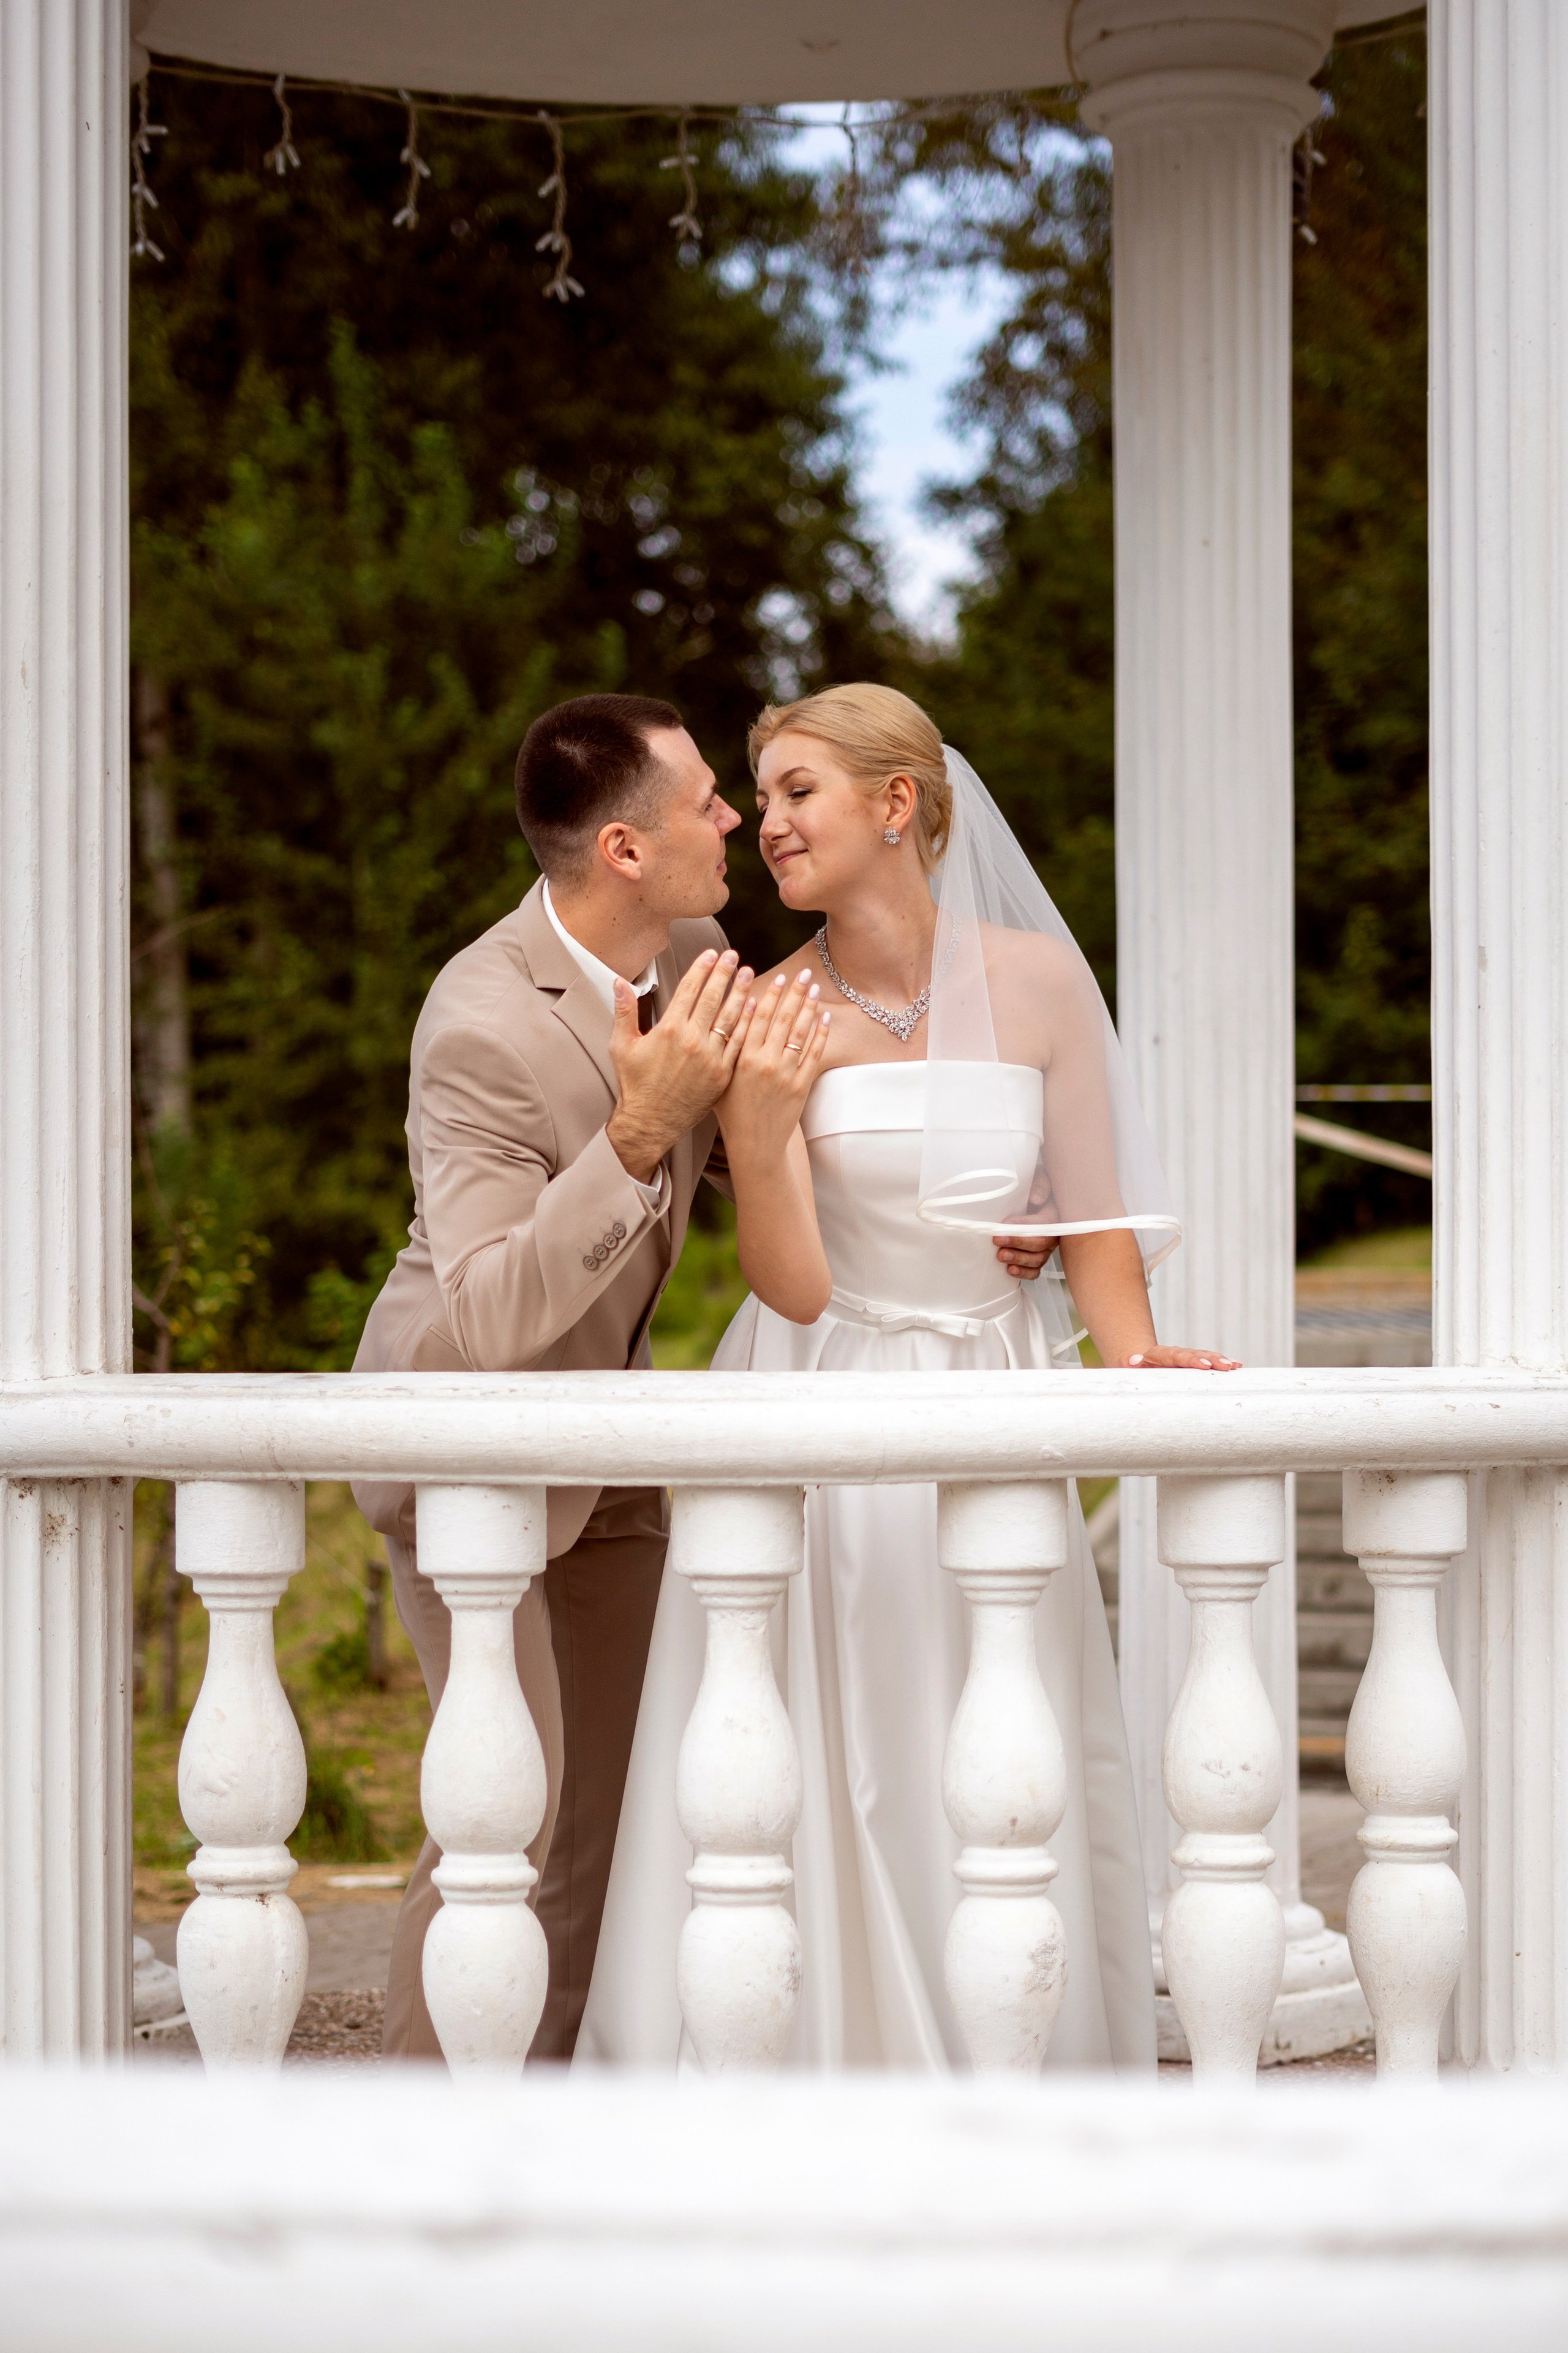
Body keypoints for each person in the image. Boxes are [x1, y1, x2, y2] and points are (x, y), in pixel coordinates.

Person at [579, 682, 1238, 2072]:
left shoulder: (1039, 982)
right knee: (841, 1738)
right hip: (825, 1388)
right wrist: (764, 1130)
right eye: (761, 798)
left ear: (897, 803)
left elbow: (1092, 1230)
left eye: (796, 792)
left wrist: (1134, 1355)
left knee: (999, 1726)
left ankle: (1014, 2056)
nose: (768, 823)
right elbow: (792, 1284)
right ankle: (833, 2056)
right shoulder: (766, 1006)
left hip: (996, 1391)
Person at [353, 690, 818, 2063]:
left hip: (613, 1439)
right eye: (705, 802)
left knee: (609, 1816)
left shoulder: (696, 949)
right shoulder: (479, 1022)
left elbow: (767, 1153)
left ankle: (546, 2109)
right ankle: (416, 2129)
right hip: (472, 1444)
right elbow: (493, 1311)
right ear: (624, 848)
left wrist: (974, 1216)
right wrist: (637, 1131)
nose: (733, 818)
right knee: (505, 1814)